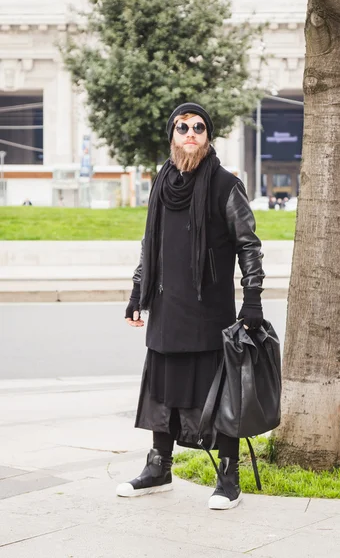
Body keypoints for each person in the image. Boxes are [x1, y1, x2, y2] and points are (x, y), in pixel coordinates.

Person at [117, 103, 264, 510]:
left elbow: (249, 245)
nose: (191, 133)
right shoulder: (161, 183)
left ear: (208, 136)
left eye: (199, 127)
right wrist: (136, 293)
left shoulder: (224, 185)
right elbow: (152, 248)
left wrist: (252, 300)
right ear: (172, 135)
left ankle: (229, 476)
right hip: (166, 307)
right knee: (162, 390)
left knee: (219, 395)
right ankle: (159, 467)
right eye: (183, 127)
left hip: (209, 310)